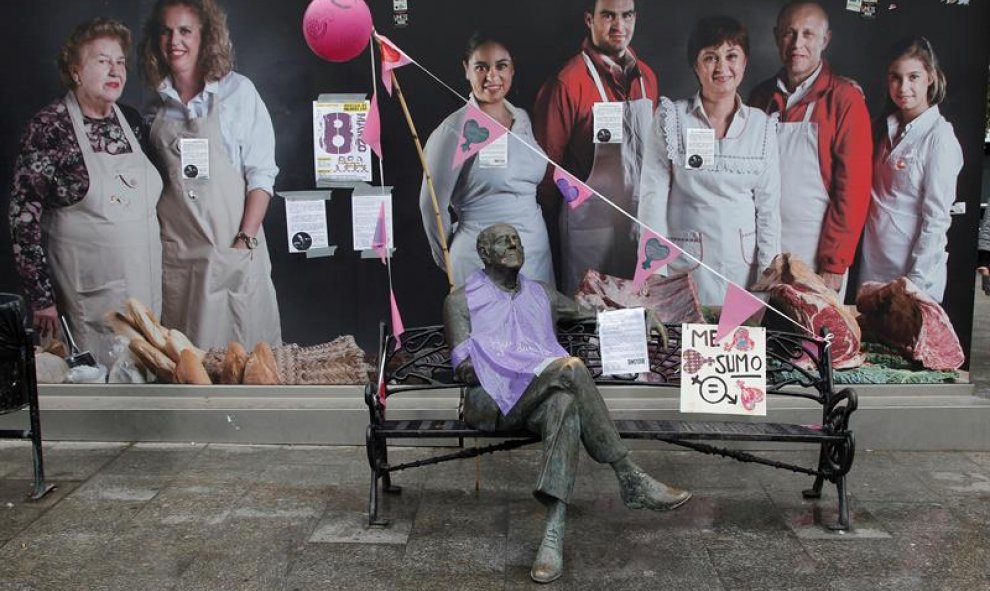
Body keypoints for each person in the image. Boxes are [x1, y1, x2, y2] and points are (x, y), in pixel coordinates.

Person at [444, 223, 691, 584]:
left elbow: (590, 315)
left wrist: (639, 315)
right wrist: (517, 364)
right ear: (484, 254)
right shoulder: (460, 300)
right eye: (502, 241)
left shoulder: (541, 294)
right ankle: (629, 475)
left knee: (564, 406)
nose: (513, 244)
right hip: (492, 402)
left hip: (541, 398)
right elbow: (465, 371)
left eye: (516, 238)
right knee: (570, 369)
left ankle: (552, 535)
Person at [8, 18, 163, 367]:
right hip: (88, 298)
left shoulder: (132, 121)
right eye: (102, 60)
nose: (115, 69)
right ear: (76, 70)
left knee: (144, 380)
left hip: (145, 291)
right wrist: (41, 298)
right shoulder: (49, 128)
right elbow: (23, 220)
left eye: (120, 61)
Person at [140, 0, 281, 350]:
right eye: (167, 31)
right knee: (188, 365)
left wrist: (244, 240)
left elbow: (262, 174)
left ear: (207, 37)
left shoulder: (238, 93)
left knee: (243, 360)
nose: (175, 40)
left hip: (231, 250)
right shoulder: (154, 107)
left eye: (186, 31)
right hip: (179, 259)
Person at [638, 16, 780, 306]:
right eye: (710, 58)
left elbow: (768, 211)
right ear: (695, 64)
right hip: (684, 269)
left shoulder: (761, 126)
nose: (722, 68)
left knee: (738, 346)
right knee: (685, 349)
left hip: (745, 272)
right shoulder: (672, 118)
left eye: (731, 56)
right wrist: (655, 271)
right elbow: (652, 201)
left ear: (745, 62)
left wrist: (768, 278)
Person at [533, 0, 658, 295]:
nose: (619, 26)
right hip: (587, 226)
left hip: (637, 222)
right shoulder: (567, 83)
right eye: (608, 16)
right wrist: (579, 210)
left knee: (639, 314)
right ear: (589, 19)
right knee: (589, 322)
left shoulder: (647, 78)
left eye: (626, 15)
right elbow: (547, 171)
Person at [748, 1, 872, 299]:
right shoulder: (760, 96)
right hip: (758, 246)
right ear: (777, 36)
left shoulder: (844, 100)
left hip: (815, 252)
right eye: (790, 34)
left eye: (808, 34)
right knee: (756, 336)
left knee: (808, 343)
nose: (797, 44)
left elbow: (852, 191)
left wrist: (835, 263)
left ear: (825, 40)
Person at [420, 34, 553, 287]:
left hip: (535, 255)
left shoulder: (522, 119)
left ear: (512, 69)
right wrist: (448, 258)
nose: (492, 76)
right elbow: (431, 206)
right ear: (466, 70)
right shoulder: (454, 130)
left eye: (501, 66)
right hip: (480, 262)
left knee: (537, 324)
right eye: (481, 67)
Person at [859, 37, 962, 303]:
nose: (904, 87)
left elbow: (936, 220)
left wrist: (915, 284)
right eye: (895, 77)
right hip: (873, 270)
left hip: (911, 278)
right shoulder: (884, 127)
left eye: (913, 77)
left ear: (930, 77)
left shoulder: (940, 137)